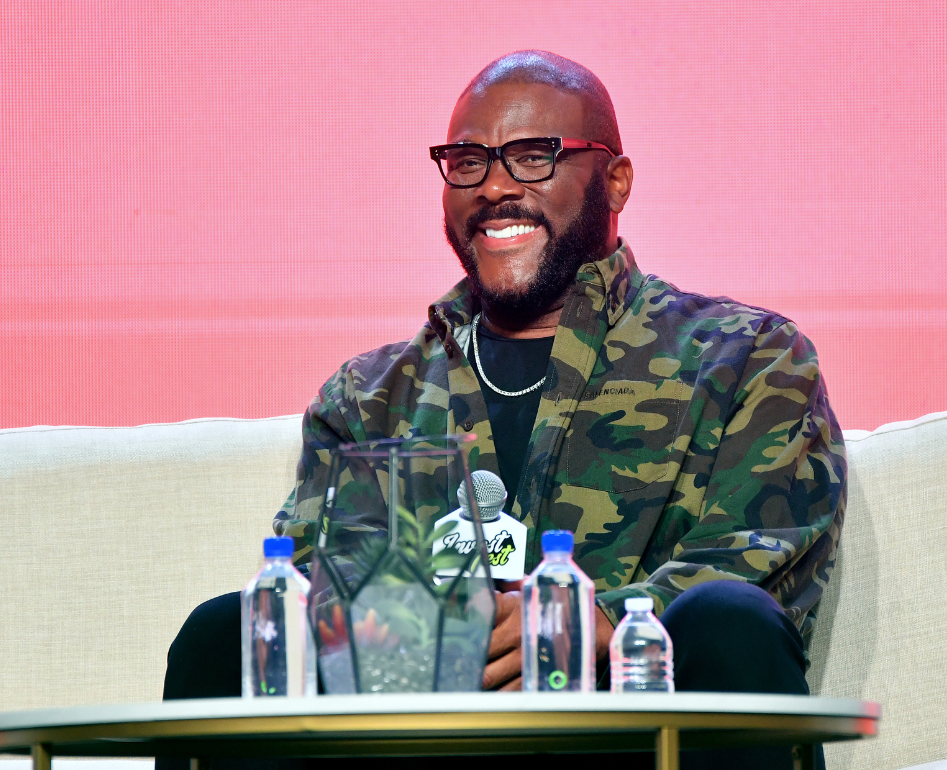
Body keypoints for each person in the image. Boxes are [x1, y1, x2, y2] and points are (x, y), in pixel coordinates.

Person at [162, 51, 846, 770]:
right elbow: (318, 585)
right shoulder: (367, 398)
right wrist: (438, 631)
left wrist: (600, 621)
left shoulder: (746, 357)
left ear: (615, 181)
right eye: (467, 161)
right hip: (424, 736)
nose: (492, 186)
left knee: (728, 622)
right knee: (227, 634)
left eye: (531, 157)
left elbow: (762, 564)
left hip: (633, 733)